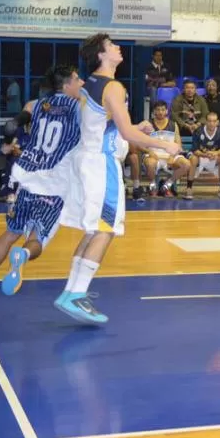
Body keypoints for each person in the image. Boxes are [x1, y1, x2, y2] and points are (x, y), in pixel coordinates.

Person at [56, 33, 181, 325]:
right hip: (101, 165)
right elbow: (126, 135)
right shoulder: (112, 86)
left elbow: (103, 124)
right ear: (101, 54)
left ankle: (71, 292)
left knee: (93, 229)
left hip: (86, 160)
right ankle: (75, 294)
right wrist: (165, 145)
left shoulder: (89, 87)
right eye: (112, 46)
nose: (118, 48)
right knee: (106, 229)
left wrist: (137, 126)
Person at [0, 65, 84, 304]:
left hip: (28, 180)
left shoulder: (35, 105)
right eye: (77, 79)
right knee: (36, 238)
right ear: (67, 83)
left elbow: (10, 126)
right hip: (54, 186)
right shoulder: (80, 107)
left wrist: (7, 144)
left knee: (10, 233)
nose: (81, 83)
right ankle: (24, 254)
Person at [143, 100, 194, 199]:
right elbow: (141, 143)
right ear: (154, 111)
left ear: (167, 111)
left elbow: (178, 144)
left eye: (163, 110)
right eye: (158, 110)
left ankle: (167, 185)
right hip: (153, 155)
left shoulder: (173, 124)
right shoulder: (147, 125)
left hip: (169, 155)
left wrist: (173, 155)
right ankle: (153, 186)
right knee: (150, 163)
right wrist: (149, 152)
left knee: (187, 164)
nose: (160, 112)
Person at [193, 112, 220, 192]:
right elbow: (195, 150)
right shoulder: (198, 131)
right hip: (200, 157)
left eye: (214, 121)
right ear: (206, 121)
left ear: (217, 122)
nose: (211, 123)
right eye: (209, 121)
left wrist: (215, 153)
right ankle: (189, 188)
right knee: (193, 158)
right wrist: (205, 155)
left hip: (214, 158)